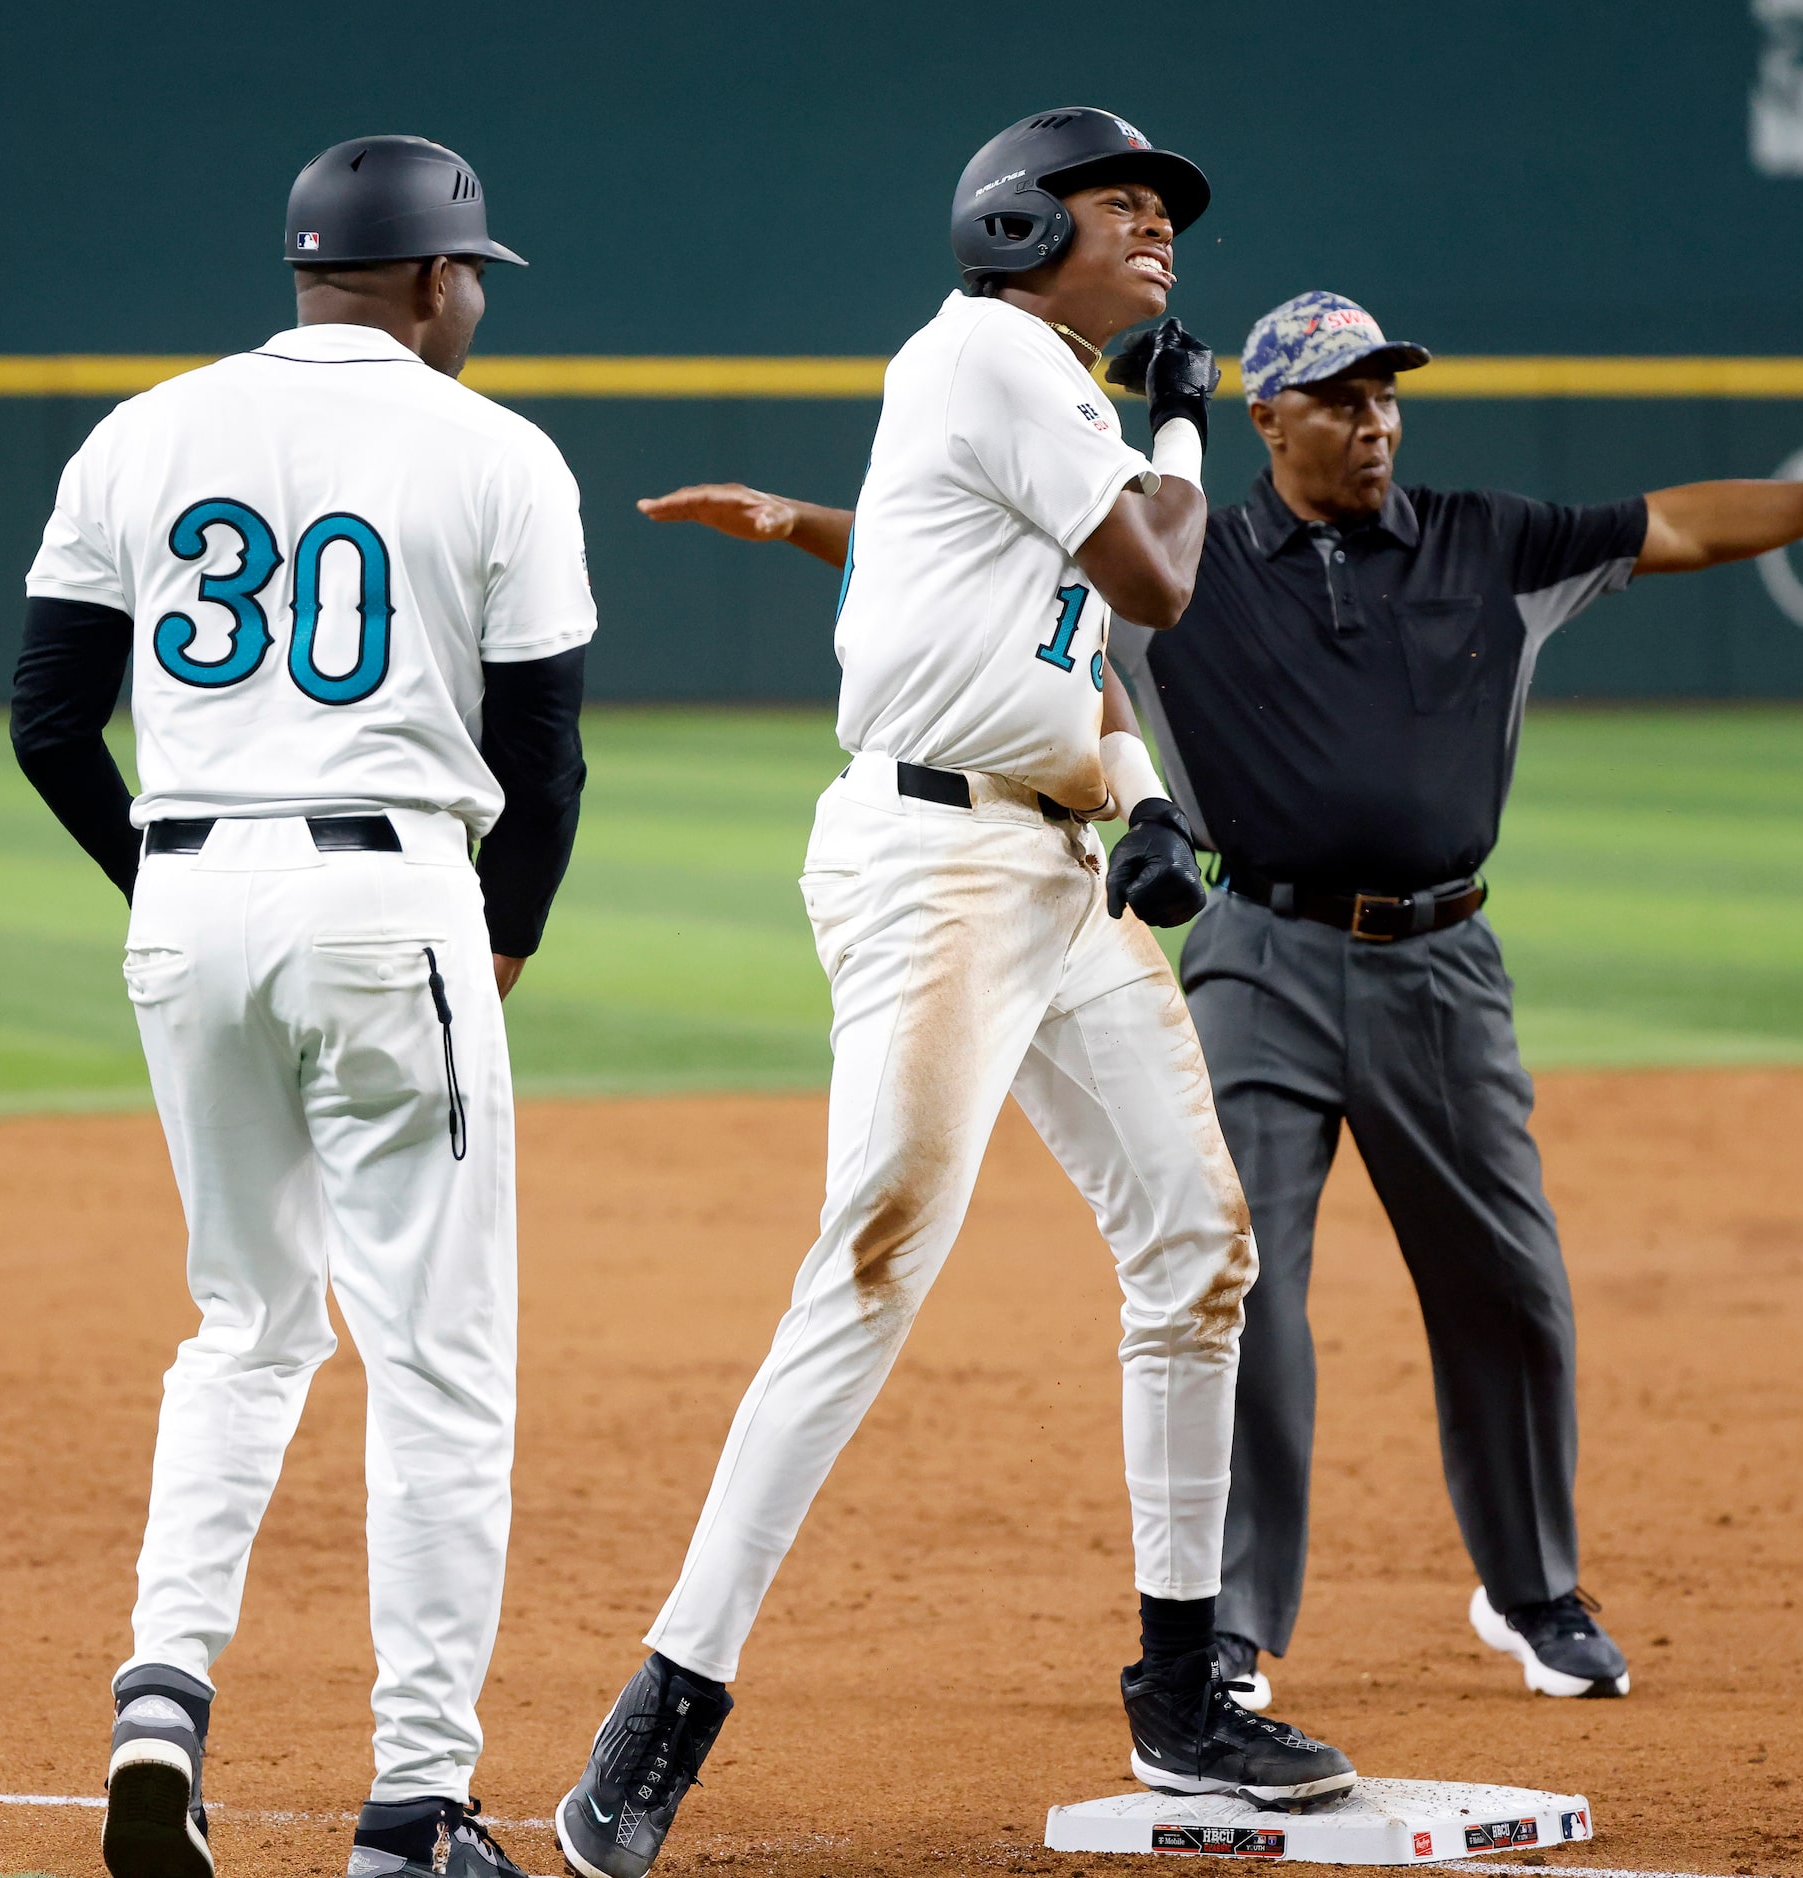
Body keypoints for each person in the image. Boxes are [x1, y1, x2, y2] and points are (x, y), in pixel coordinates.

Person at [641, 290, 1803, 1710]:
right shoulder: (1198, 558)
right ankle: (1226, 1621)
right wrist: (802, 521)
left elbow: (1672, 523)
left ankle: (1532, 1589)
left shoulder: (1486, 541)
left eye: (1387, 395)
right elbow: (976, 577)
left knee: (1512, 1283)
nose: (1374, 421)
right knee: (1243, 1283)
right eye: (1344, 396)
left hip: (1444, 968)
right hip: (1261, 955)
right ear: (1268, 418)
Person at [551, 109, 1355, 1878]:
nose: (1158, 230)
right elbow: (1159, 577)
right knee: (871, 1264)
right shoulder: (997, 352)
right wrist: (1187, 415)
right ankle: (665, 1702)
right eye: (1120, 204)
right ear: (1011, 225)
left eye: (1167, 212)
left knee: (1192, 1245)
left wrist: (1140, 812)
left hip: (1052, 861)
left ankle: (1179, 1684)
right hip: (934, 869)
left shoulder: (1033, 377)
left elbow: (1067, 652)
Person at [11, 136, 594, 1878]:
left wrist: (173, 894)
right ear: (430, 281)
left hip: (190, 906)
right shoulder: (497, 449)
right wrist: (506, 931)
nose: (476, 299)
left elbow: (48, 722)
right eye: (474, 272)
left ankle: (160, 1700)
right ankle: (417, 1804)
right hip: (393, 895)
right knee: (438, 1361)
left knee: (245, 1325)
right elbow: (542, 749)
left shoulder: (137, 431)